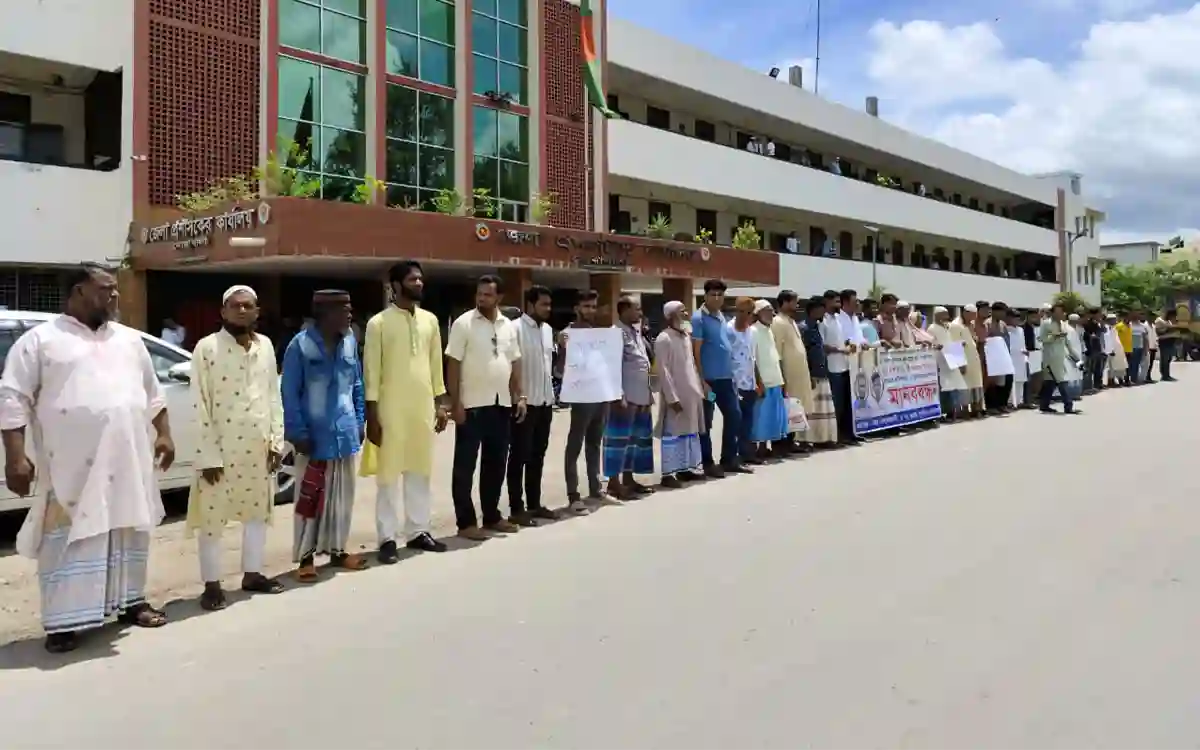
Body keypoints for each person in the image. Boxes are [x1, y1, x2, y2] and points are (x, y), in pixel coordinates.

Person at [0, 263, 173, 652]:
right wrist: (15, 458)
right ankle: (63, 623)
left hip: (128, 458)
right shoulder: (40, 341)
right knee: (68, 538)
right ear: (78, 292)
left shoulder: (130, 340)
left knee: (130, 529)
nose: (114, 296)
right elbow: (12, 398)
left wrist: (164, 433)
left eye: (115, 289)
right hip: (70, 466)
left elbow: (153, 392)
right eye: (106, 289)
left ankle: (131, 601)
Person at [188, 285, 286, 610]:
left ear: (257, 311)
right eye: (235, 306)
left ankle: (253, 573)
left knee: (257, 514)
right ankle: (212, 584)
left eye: (249, 306)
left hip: (258, 448)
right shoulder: (206, 349)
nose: (242, 311)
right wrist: (208, 456)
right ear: (223, 311)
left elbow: (273, 394)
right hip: (220, 451)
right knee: (212, 519)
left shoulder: (266, 347)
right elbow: (198, 405)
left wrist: (276, 440)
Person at [363, 261, 450, 563]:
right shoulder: (379, 324)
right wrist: (371, 416)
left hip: (422, 407)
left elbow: (436, 366)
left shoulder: (430, 321)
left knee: (419, 470)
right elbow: (371, 372)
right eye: (413, 279)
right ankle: (387, 538)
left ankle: (418, 531)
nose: (419, 284)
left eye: (421, 279)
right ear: (396, 286)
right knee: (388, 475)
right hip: (389, 409)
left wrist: (441, 403)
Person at [281, 289, 369, 581]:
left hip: (344, 432)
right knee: (309, 499)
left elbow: (357, 385)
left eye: (349, 308)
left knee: (342, 497)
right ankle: (305, 557)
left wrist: (359, 420)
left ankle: (337, 549)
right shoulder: (300, 346)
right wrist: (296, 432)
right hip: (313, 437)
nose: (349, 314)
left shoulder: (349, 343)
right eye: (342, 309)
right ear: (323, 313)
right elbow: (289, 394)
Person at [446, 275, 524, 539]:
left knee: (495, 464)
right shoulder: (463, 324)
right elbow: (453, 364)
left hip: (500, 404)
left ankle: (491, 516)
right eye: (479, 294)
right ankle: (466, 523)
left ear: (499, 298)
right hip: (471, 407)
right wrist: (455, 403)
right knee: (465, 467)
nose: (482, 299)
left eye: (488, 295)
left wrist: (519, 395)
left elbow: (514, 361)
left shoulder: (508, 326)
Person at [506, 285, 559, 526]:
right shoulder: (514, 329)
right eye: (543, 304)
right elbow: (509, 367)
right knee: (519, 457)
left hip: (545, 403)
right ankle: (516, 509)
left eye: (549, 304)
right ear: (530, 305)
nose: (548, 309)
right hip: (524, 404)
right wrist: (517, 397)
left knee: (538, 455)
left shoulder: (548, 330)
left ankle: (534, 504)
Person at [691, 279, 748, 476]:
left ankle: (729, 459)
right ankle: (707, 463)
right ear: (705, 296)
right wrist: (702, 380)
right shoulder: (698, 318)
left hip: (726, 379)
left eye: (720, 295)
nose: (716, 298)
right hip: (709, 381)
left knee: (734, 415)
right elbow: (696, 352)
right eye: (712, 294)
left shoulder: (721, 316)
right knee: (706, 422)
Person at [559, 290, 609, 513]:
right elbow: (560, 370)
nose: (590, 310)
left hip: (600, 395)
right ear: (577, 309)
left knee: (595, 444)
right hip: (582, 397)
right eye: (586, 306)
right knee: (575, 445)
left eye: (593, 306)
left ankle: (595, 488)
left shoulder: (597, 333)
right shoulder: (568, 334)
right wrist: (563, 349)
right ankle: (573, 495)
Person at [603, 295, 656, 499]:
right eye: (636, 309)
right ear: (624, 310)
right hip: (625, 396)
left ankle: (628, 479)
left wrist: (649, 393)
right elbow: (611, 366)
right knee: (618, 440)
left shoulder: (636, 332)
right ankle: (614, 483)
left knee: (635, 439)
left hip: (642, 394)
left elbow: (644, 362)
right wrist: (619, 394)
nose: (640, 313)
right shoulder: (615, 333)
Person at [654, 301, 706, 488]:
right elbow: (663, 370)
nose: (685, 314)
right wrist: (672, 398)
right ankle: (668, 475)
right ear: (670, 316)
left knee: (689, 433)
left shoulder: (685, 337)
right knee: (673, 435)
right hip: (676, 396)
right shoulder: (664, 338)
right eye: (681, 311)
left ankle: (686, 469)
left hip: (691, 394)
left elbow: (691, 366)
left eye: (685, 310)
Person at [771, 290, 813, 454]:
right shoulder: (778, 322)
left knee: (796, 408)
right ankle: (780, 444)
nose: (797, 305)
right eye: (795, 302)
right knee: (786, 409)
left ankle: (791, 441)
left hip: (799, 374)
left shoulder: (791, 321)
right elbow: (777, 352)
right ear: (785, 302)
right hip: (788, 374)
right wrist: (782, 377)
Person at [750, 300, 789, 453]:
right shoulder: (753, 331)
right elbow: (753, 359)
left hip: (775, 379)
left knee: (773, 417)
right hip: (763, 381)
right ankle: (758, 449)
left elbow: (776, 357)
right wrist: (758, 382)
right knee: (760, 418)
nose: (770, 314)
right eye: (766, 311)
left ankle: (767, 447)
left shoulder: (769, 330)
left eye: (771, 311)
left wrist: (783, 380)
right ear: (758, 313)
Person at [820, 289, 858, 445]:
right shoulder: (823, 321)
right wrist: (841, 349)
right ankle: (834, 437)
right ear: (827, 302)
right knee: (835, 405)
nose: (838, 305)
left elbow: (843, 339)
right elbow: (824, 345)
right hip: (832, 367)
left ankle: (846, 434)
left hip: (845, 366)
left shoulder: (838, 319)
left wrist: (850, 345)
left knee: (845, 404)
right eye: (835, 302)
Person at [799, 296, 838, 446]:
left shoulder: (817, 327)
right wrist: (808, 374)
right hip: (812, 374)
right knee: (811, 411)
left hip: (822, 372)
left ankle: (822, 439)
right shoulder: (804, 328)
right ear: (814, 310)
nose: (824, 312)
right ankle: (806, 440)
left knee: (823, 410)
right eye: (821, 309)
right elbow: (804, 353)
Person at [727, 297, 760, 464]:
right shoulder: (727, 330)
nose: (743, 315)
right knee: (735, 422)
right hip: (734, 383)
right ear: (735, 310)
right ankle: (733, 457)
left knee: (748, 422)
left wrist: (758, 382)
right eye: (740, 311)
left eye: (747, 312)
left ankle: (746, 454)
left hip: (750, 383)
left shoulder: (752, 332)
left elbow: (753, 359)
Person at [1038, 303, 1082, 414]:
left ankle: (1044, 405)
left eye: (1061, 312)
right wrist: (1054, 336)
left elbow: (1067, 343)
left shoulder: (1063, 325)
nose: (1060, 314)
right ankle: (1068, 406)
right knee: (1061, 382)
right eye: (1057, 312)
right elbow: (1042, 339)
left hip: (1061, 357)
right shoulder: (1046, 324)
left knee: (1050, 382)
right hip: (1050, 358)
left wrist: (1076, 358)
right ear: (1052, 313)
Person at [927, 306, 967, 420]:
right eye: (944, 314)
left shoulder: (947, 327)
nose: (947, 317)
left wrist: (959, 345)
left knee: (954, 386)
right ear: (937, 315)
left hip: (951, 360)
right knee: (944, 387)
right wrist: (937, 347)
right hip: (940, 361)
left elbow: (949, 343)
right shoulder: (932, 328)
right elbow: (931, 344)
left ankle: (953, 412)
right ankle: (944, 412)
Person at [952, 305, 985, 418]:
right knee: (965, 386)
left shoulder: (970, 325)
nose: (974, 317)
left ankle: (976, 408)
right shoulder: (956, 325)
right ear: (966, 313)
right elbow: (955, 345)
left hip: (973, 360)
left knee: (975, 385)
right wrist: (960, 363)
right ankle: (964, 410)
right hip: (964, 361)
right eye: (973, 315)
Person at [982, 301, 1011, 414]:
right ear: (995, 311)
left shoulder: (1003, 324)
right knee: (991, 384)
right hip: (990, 357)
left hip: (1002, 357)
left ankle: (1001, 404)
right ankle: (991, 406)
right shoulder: (987, 323)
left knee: (1003, 383)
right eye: (1002, 312)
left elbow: (1006, 340)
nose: (1004, 315)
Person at [1155, 309, 1180, 381]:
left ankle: (1167, 374)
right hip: (1164, 342)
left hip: (1170, 342)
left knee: (1168, 359)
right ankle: (1164, 375)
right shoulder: (1159, 321)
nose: (1174, 318)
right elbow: (1159, 332)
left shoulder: (1168, 321)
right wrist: (1170, 330)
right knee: (1165, 359)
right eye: (1174, 316)